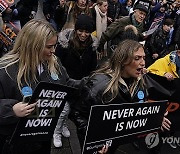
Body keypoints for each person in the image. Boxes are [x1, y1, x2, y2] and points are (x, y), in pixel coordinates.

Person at [71, 39, 171, 153]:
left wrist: (155, 118)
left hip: (115, 140)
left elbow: (139, 109)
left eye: (143, 57)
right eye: (137, 58)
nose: (143, 63)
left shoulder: (140, 83)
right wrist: (95, 140)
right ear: (123, 60)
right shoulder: (99, 85)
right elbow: (77, 113)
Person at [0, 19, 78, 154]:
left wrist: (90, 83)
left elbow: (66, 83)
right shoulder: (5, 70)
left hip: (42, 139)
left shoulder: (54, 62)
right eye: (49, 47)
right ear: (33, 46)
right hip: (14, 144)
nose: (53, 51)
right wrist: (12, 110)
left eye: (55, 45)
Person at [53, 14, 97, 148]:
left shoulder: (92, 47)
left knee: (71, 109)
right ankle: (56, 132)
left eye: (87, 32)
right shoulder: (64, 44)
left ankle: (64, 125)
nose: (83, 34)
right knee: (63, 110)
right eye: (81, 30)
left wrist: (89, 81)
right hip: (65, 82)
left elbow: (93, 67)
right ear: (76, 29)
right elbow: (56, 63)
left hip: (81, 84)